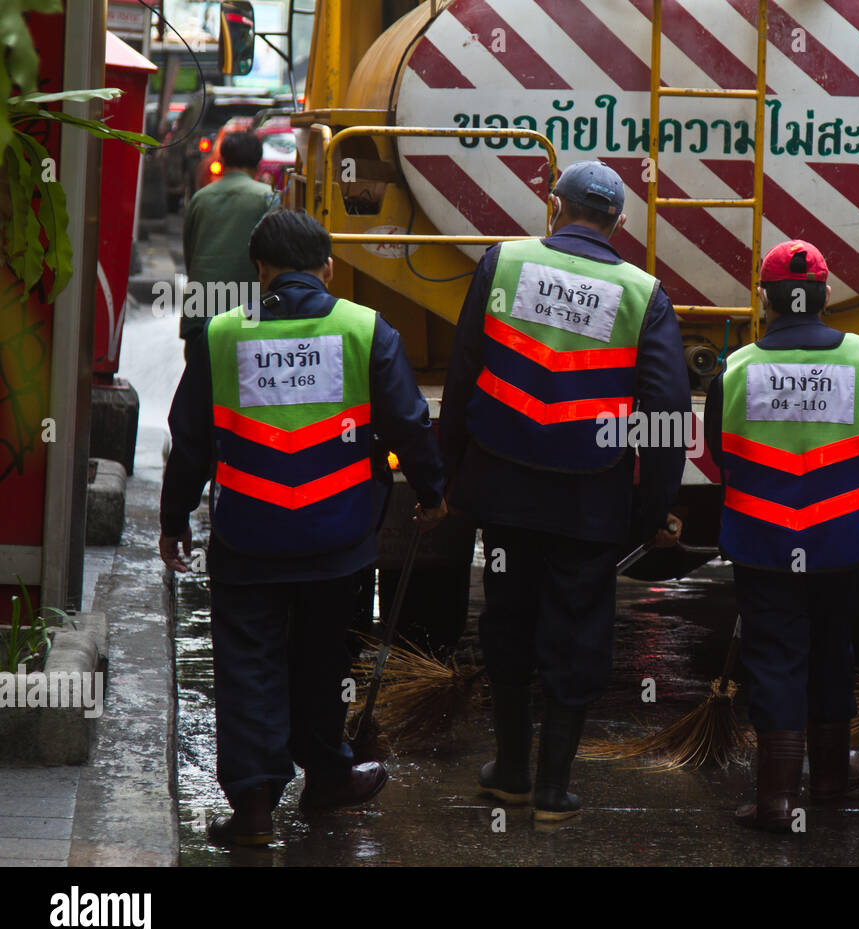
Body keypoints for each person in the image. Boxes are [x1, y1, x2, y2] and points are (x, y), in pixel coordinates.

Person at [158, 208, 448, 846]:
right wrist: (432, 493)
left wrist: (174, 519)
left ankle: (255, 808)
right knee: (324, 661)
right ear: (327, 266)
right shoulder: (365, 328)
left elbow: (191, 441)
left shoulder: (220, 333)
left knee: (248, 667)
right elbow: (407, 422)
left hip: (248, 537)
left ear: (260, 270)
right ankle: (327, 778)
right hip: (337, 538)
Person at [439, 160, 691, 824]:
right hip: (591, 499)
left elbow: (465, 370)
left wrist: (449, 474)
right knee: (577, 631)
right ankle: (553, 786)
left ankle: (512, 771)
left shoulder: (505, 262)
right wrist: (652, 506)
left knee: (508, 620)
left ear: (555, 207)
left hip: (503, 484)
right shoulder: (644, 293)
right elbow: (665, 412)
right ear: (620, 223)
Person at [704, 240, 859, 831]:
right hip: (841, 539)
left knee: (774, 657)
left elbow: (722, 452)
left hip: (761, 538)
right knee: (834, 648)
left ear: (766, 300)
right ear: (825, 296)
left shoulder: (737, 367)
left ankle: (775, 799)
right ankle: (829, 777)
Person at [181, 130, 277, 362]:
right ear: (258, 163)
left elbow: (190, 256)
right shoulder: (268, 199)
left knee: (201, 390)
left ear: (222, 161)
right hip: (248, 316)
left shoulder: (200, 198)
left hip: (200, 312)